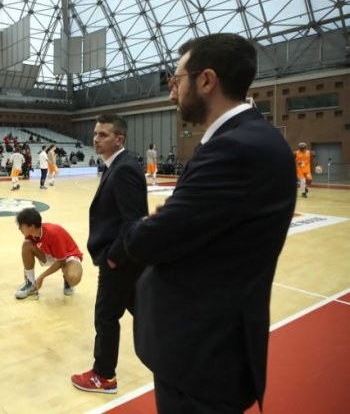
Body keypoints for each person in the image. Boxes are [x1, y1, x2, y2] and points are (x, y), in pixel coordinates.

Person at [123, 33, 296, 412]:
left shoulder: (234, 148)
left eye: (176, 81)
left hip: (201, 353)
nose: (172, 94)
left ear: (206, 80)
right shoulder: (253, 138)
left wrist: (147, 226)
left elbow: (149, 241)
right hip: (210, 345)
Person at [70, 113, 149, 394]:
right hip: (126, 259)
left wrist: (113, 257)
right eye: (95, 133)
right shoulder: (117, 165)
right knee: (143, 310)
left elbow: (134, 220)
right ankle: (178, 354)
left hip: (120, 260)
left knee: (105, 316)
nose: (96, 139)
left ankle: (104, 376)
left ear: (119, 139)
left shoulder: (124, 168)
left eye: (103, 135)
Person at [14, 208, 83, 299]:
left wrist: (41, 277)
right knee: (26, 245)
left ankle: (67, 279)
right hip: (51, 254)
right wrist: (27, 274)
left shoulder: (54, 232)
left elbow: (61, 262)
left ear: (32, 226)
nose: (19, 228)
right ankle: (30, 284)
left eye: (21, 225)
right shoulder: (30, 234)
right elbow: (27, 253)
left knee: (73, 278)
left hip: (68, 256)